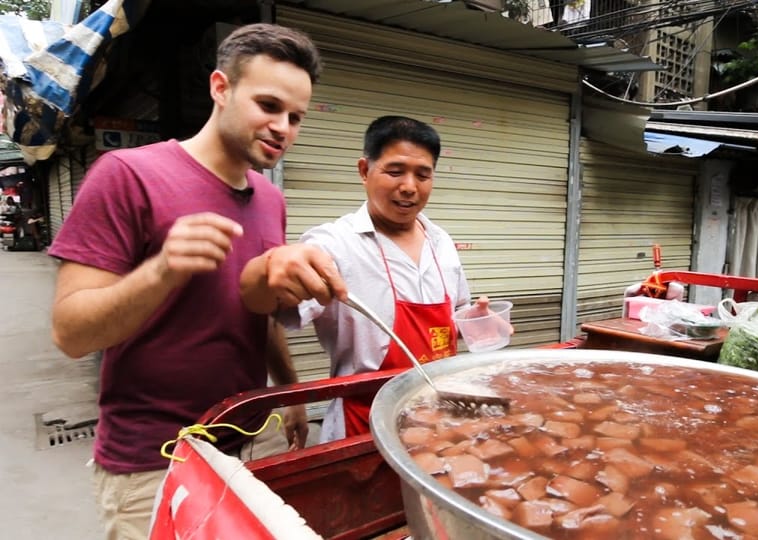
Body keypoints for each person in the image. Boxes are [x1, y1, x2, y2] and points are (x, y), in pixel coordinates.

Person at [48, 23, 323, 539]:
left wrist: (289, 392)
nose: (282, 126)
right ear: (221, 88)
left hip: (248, 440)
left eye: (295, 117)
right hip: (155, 461)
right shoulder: (126, 175)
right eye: (268, 105)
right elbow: (70, 332)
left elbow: (256, 312)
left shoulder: (271, 200)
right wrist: (162, 269)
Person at [240, 116, 508, 442]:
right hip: (362, 424)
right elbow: (265, 305)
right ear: (365, 170)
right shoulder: (334, 243)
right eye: (395, 172)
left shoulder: (441, 242)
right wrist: (269, 267)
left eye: (423, 175)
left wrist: (476, 323)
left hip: (437, 416)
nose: (409, 186)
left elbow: (453, 321)